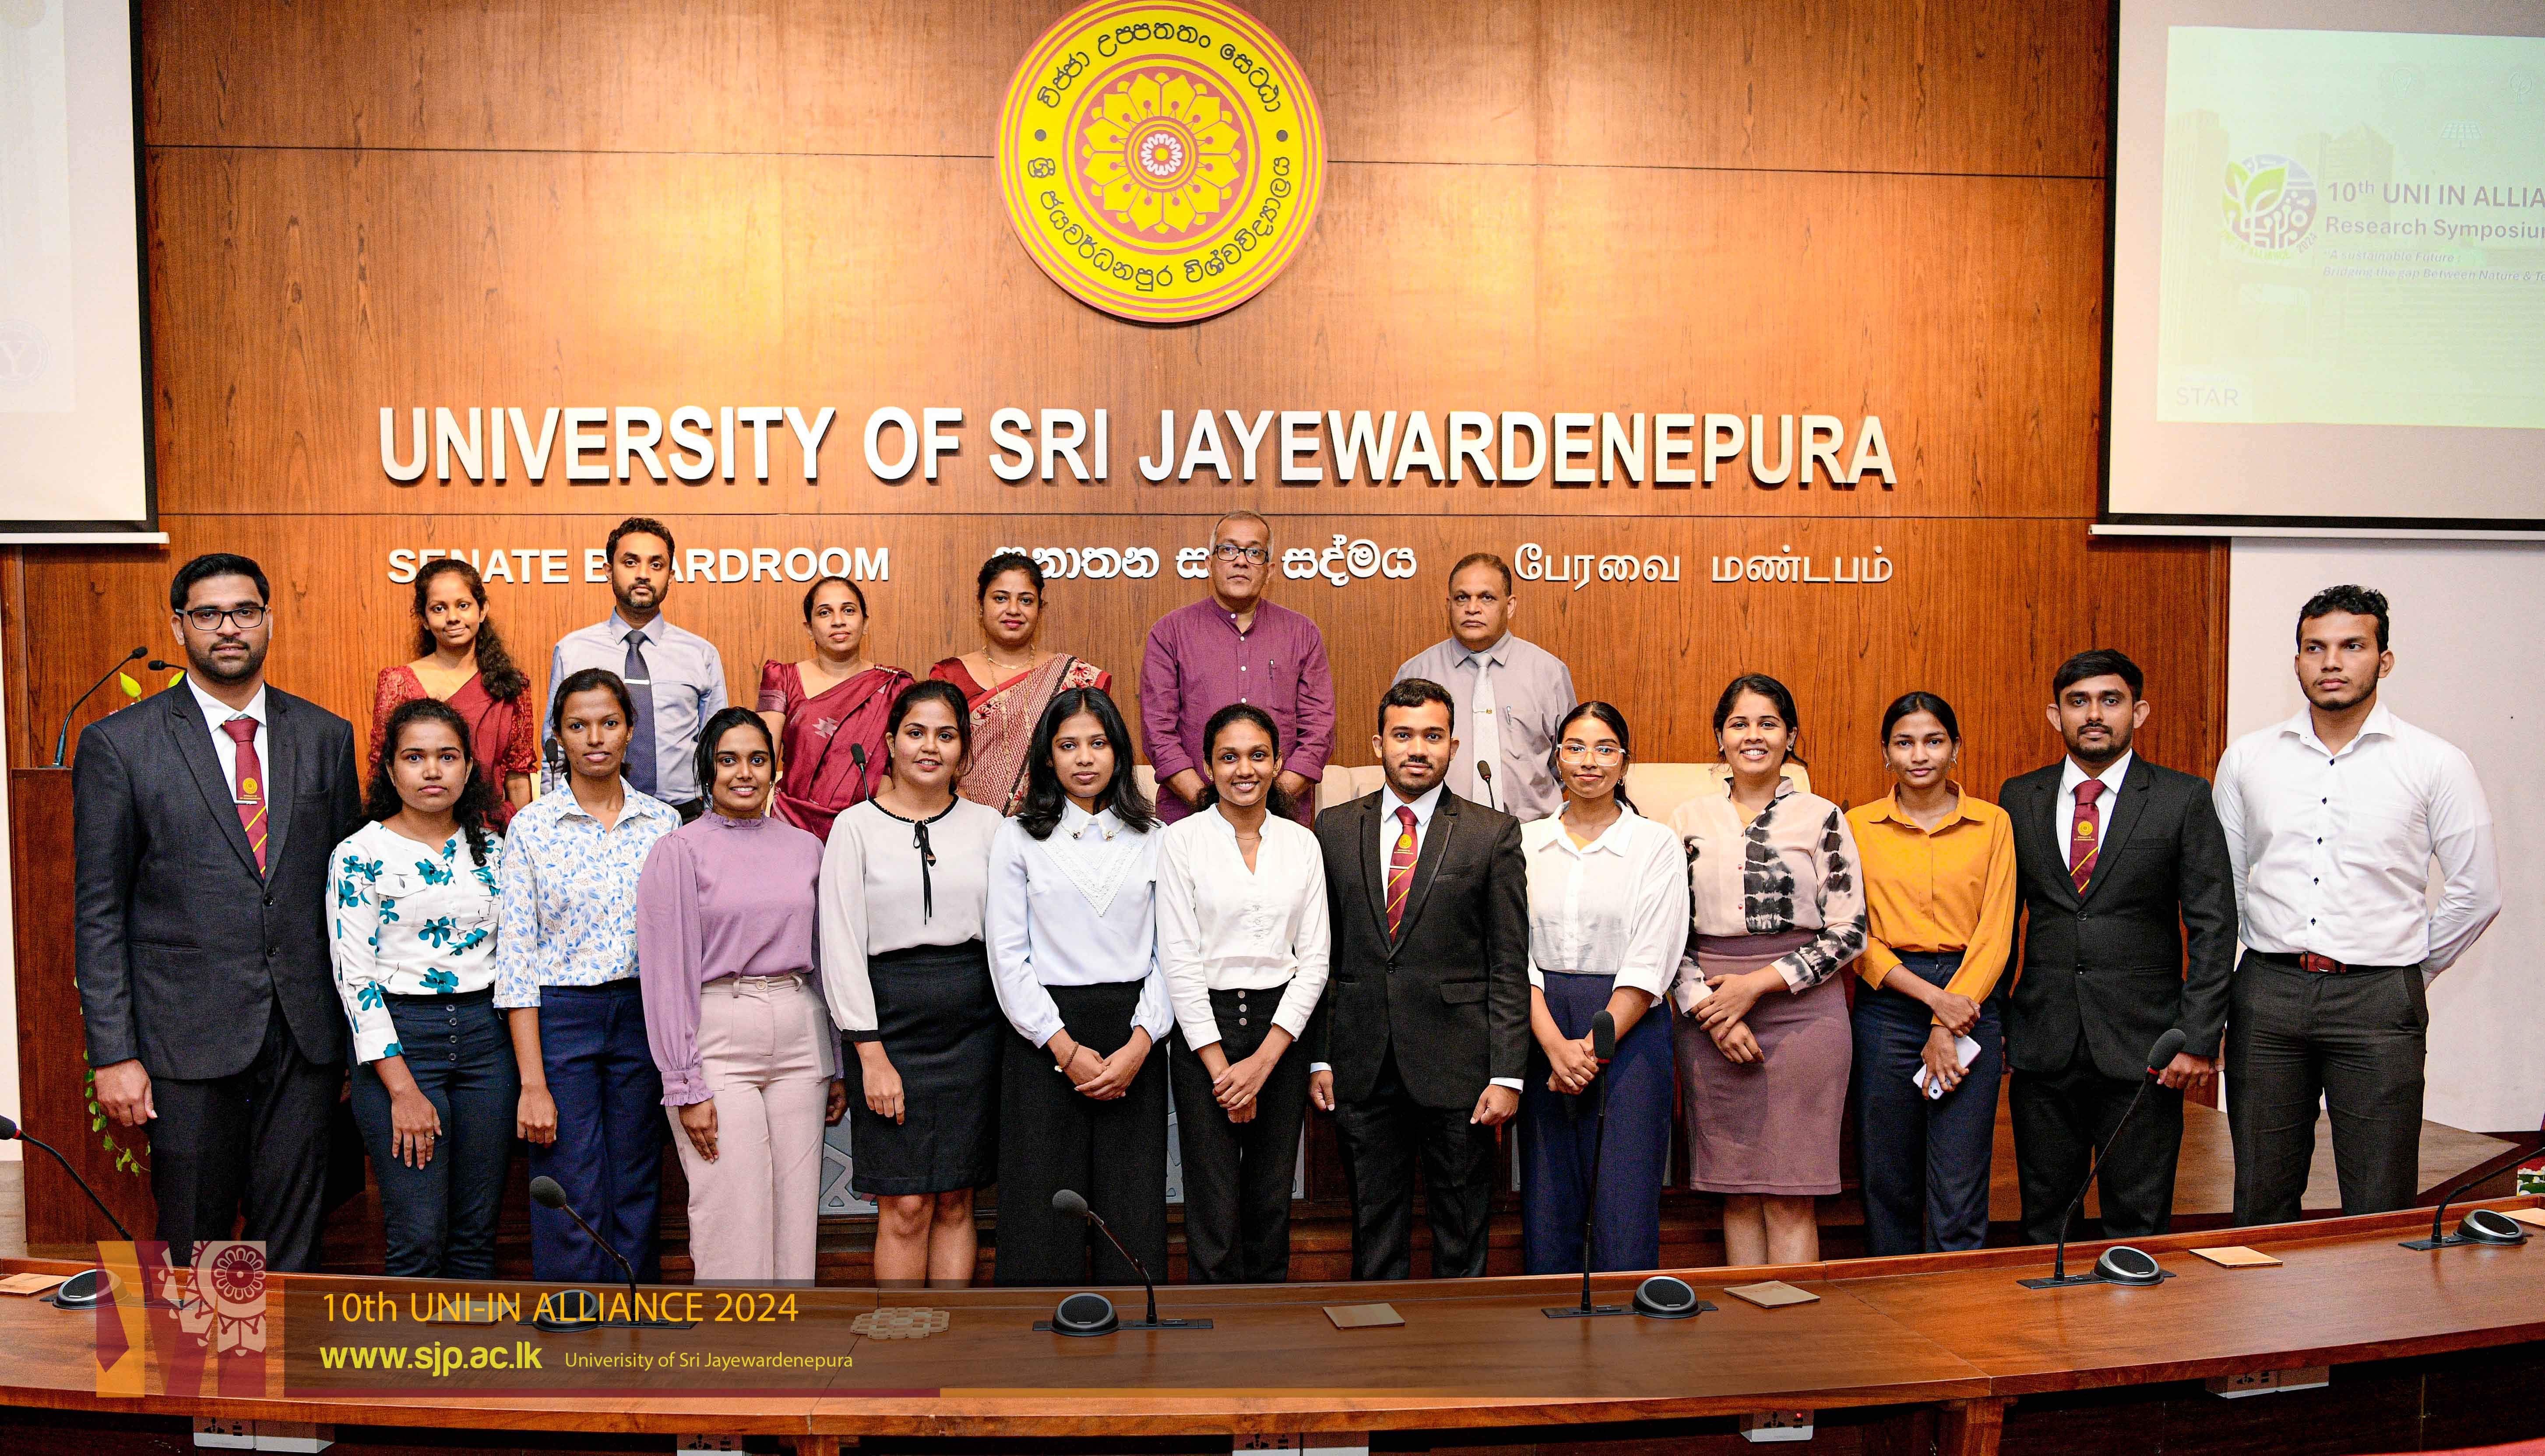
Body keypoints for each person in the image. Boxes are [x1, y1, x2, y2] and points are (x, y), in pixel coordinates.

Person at [74, 553, 363, 1270]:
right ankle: (200, 1354)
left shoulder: (324, 736)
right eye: (208, 614)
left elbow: (346, 898)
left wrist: (358, 1035)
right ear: (179, 627)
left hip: (304, 1037)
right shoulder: (120, 744)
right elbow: (99, 911)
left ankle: (277, 1352)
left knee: (293, 1245)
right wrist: (114, 1053)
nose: (228, 627)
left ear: (269, 620)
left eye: (244, 612)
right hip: (184, 1038)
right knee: (195, 1239)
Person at [2214, 587, 2499, 1224]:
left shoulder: (2435, 762)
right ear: (2296, 661)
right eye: (2314, 648)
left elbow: (2477, 891)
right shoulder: (2248, 759)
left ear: (2383, 660)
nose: (2331, 662)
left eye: (2351, 646)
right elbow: (2224, 886)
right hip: (2268, 994)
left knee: (2379, 1199)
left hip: (2378, 1000)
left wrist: (2409, 968)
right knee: (2259, 1194)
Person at [2003, 649, 2235, 1245]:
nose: (2094, 714)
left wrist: (2198, 1036)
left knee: (2136, 1222)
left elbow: (2213, 925)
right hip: (2043, 1041)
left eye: (2110, 700)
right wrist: (1995, 1020)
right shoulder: (2019, 797)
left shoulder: (2181, 798)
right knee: (2044, 1221)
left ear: (2139, 710)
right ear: (2055, 715)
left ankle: (2131, 1310)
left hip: (2143, 1046)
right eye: (2078, 702)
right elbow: (2000, 920)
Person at [1308, 679, 1528, 1280]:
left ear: (1452, 746)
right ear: (1377, 743)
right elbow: (1321, 955)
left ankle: (1460, 1341)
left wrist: (1507, 1073)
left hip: (1460, 1068)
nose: (1416, 749)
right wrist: (1319, 1056)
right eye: (1402, 735)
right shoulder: (1333, 828)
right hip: (1361, 1062)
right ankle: (1378, 1339)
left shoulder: (1492, 832)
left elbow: (1508, 962)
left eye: (1432, 736)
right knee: (1373, 1231)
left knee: (1462, 1232)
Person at [637, 708, 845, 1284]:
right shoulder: (678, 850)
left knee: (796, 1214)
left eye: (757, 759)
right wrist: (683, 1082)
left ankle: (790, 1336)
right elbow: (665, 973)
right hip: (719, 1032)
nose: (744, 773)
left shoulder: (806, 848)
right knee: (732, 1211)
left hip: (800, 1028)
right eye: (728, 760)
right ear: (708, 768)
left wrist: (838, 1058)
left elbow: (825, 957)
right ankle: (735, 1339)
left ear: (775, 769)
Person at [1670, 673, 1866, 1267]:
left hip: (1804, 1014)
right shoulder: (1685, 819)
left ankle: (1794, 1326)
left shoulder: (1822, 815)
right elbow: (1666, 931)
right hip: (1708, 1016)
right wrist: (1712, 1011)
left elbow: (1850, 930)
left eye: (1768, 723)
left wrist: (1755, 986)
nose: (1752, 735)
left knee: (1789, 1196)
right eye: (1739, 723)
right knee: (1735, 1191)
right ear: (1719, 737)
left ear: (1791, 736)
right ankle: (1746, 1328)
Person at [984, 687, 1174, 1287]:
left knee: (1132, 1203)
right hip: (1042, 1036)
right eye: (1068, 745)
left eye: (1098, 743)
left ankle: (1138, 1337)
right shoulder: (1016, 836)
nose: (1084, 758)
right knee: (1042, 1204)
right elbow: (1007, 956)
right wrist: (1062, 1047)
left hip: (1134, 1035)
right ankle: (1035, 1335)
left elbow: (1171, 955)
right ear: (1048, 755)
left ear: (1119, 752)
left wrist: (1140, 1043)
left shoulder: (1155, 836)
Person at [496, 667, 681, 1282]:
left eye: (609, 722)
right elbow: (516, 959)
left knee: (636, 1170)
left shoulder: (664, 824)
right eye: (578, 725)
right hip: (562, 1017)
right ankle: (574, 1307)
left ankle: (634, 1304)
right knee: (568, 1172)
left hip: (641, 1017)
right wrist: (532, 1080)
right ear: (558, 735)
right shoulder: (531, 827)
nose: (594, 737)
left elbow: (679, 943)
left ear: (630, 730)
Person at [819, 680, 1006, 1287]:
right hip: (888, 1028)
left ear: (964, 749)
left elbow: (1007, 938)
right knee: (904, 1204)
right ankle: (901, 1335)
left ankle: (948, 1337)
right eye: (916, 732)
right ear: (891, 741)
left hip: (974, 1029)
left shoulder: (989, 826)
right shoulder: (854, 827)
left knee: (955, 1198)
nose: (930, 747)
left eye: (946, 735)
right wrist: (870, 1053)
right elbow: (840, 946)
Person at [329, 697, 517, 1278]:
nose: (432, 770)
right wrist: (403, 1090)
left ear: (468, 767)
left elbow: (515, 958)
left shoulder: (495, 848)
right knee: (417, 1237)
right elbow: (355, 979)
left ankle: (470, 1343)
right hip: (401, 1045)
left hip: (487, 1044)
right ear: (390, 769)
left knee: (475, 1237)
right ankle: (413, 1345)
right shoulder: (359, 854)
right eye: (414, 757)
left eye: (447, 756)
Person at [1158, 704, 1331, 1284]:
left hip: (1280, 1031)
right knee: (1211, 1203)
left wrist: (1263, 1061)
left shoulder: (1302, 843)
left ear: (1277, 763)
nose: (1244, 769)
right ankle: (1212, 1325)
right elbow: (1178, 959)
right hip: (1202, 1031)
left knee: (1270, 1198)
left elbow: (1315, 960)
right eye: (1228, 757)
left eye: (1258, 755)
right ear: (1208, 767)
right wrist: (1221, 1069)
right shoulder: (1180, 841)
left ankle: (1269, 1325)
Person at [1518, 702, 1687, 1274]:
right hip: (1541, 1025)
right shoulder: (1523, 842)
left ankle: (1625, 1323)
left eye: (1604, 748)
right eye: (1575, 747)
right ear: (1556, 759)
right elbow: (1514, 953)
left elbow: (1652, 957)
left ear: (1624, 761)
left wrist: (1587, 1052)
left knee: (1625, 1199)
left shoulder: (1655, 843)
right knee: (1548, 1196)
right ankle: (1549, 1320)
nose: (1588, 761)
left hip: (1627, 1027)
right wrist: (1554, 1046)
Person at [1846, 692, 2017, 1255]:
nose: (1918, 755)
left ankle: (1953, 1299)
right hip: (1888, 1004)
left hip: (1972, 1000)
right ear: (1885, 752)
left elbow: (1996, 930)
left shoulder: (1992, 823)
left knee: (1959, 1180)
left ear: (1955, 747)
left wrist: (1948, 1018)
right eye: (1904, 742)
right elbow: (1854, 935)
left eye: (1933, 740)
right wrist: (1932, 1001)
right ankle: (1891, 1297)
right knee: (1887, 1176)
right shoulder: (1857, 825)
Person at [1141, 511, 1334, 826]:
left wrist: (1268, 803)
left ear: (1269, 570)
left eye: (1254, 552)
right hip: (1191, 819)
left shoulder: (1302, 634)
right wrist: (1209, 805)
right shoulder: (1170, 633)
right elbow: (1158, 732)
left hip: (1281, 822)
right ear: (1209, 563)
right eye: (1228, 550)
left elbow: (1318, 732)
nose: (1241, 561)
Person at [548, 517, 728, 820]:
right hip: (591, 815)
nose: (643, 574)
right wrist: (553, 817)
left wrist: (714, 821)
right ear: (608, 571)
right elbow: (553, 748)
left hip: (685, 816)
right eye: (630, 562)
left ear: (671, 576)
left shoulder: (701, 654)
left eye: (656, 565)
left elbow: (718, 749)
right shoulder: (573, 651)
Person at [1391, 553, 1577, 821]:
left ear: (1510, 606)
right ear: (1449, 605)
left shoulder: (1549, 673)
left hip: (1530, 832)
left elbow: (1568, 762)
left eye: (1486, 598)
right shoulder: (1416, 673)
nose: (1472, 608)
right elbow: (1399, 759)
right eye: (1462, 598)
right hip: (1438, 831)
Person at [930, 553, 1110, 815]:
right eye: (1000, 598)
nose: (1014, 610)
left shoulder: (1074, 677)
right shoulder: (950, 675)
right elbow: (935, 750)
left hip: (1055, 820)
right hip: (966, 817)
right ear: (981, 606)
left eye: (1026, 600)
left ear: (1040, 609)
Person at [370, 556, 537, 828]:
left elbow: (517, 777)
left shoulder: (510, 685)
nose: (453, 618)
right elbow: (383, 769)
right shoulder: (398, 682)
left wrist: (526, 840)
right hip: (419, 829)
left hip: (492, 829)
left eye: (463, 605)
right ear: (424, 619)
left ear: (482, 610)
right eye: (439, 608)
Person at [757, 575, 913, 841]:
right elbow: (761, 759)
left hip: (872, 829)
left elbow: (906, 766)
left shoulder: (895, 686)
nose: (838, 621)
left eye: (848, 610)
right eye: (825, 613)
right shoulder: (783, 678)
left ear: (866, 623)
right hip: (792, 828)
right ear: (809, 628)